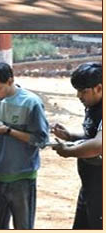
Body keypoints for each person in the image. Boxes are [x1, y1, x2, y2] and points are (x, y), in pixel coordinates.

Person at [0, 62, 49, 229]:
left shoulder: (31, 103)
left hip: (22, 178)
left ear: (10, 80)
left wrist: (9, 131)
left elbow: (41, 140)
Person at [52, 62, 102, 229]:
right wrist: (70, 136)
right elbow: (92, 136)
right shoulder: (92, 105)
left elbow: (98, 145)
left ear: (99, 88)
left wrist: (68, 151)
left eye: (83, 91)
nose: (79, 96)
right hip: (89, 186)